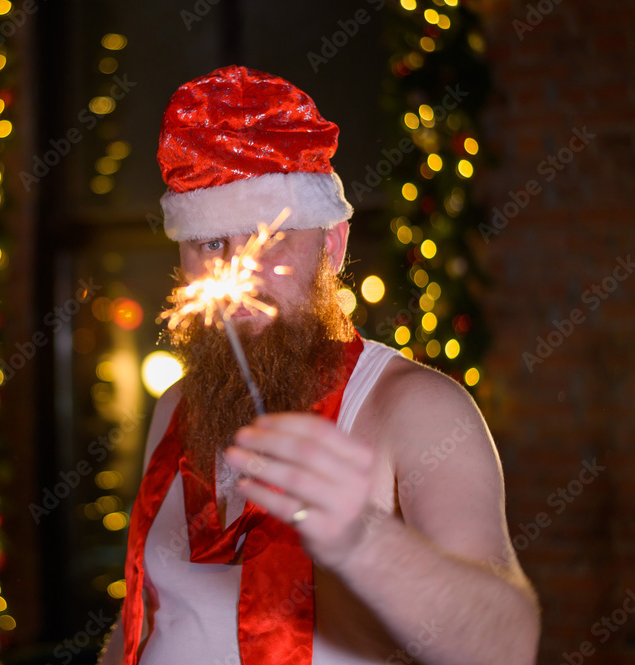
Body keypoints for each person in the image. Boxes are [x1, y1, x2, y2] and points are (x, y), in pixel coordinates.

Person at [97, 65, 540, 665]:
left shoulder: (416, 409)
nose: (237, 274)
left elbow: (505, 646)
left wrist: (362, 539)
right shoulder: (176, 405)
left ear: (332, 247)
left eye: (266, 238)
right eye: (210, 244)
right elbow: (154, 620)